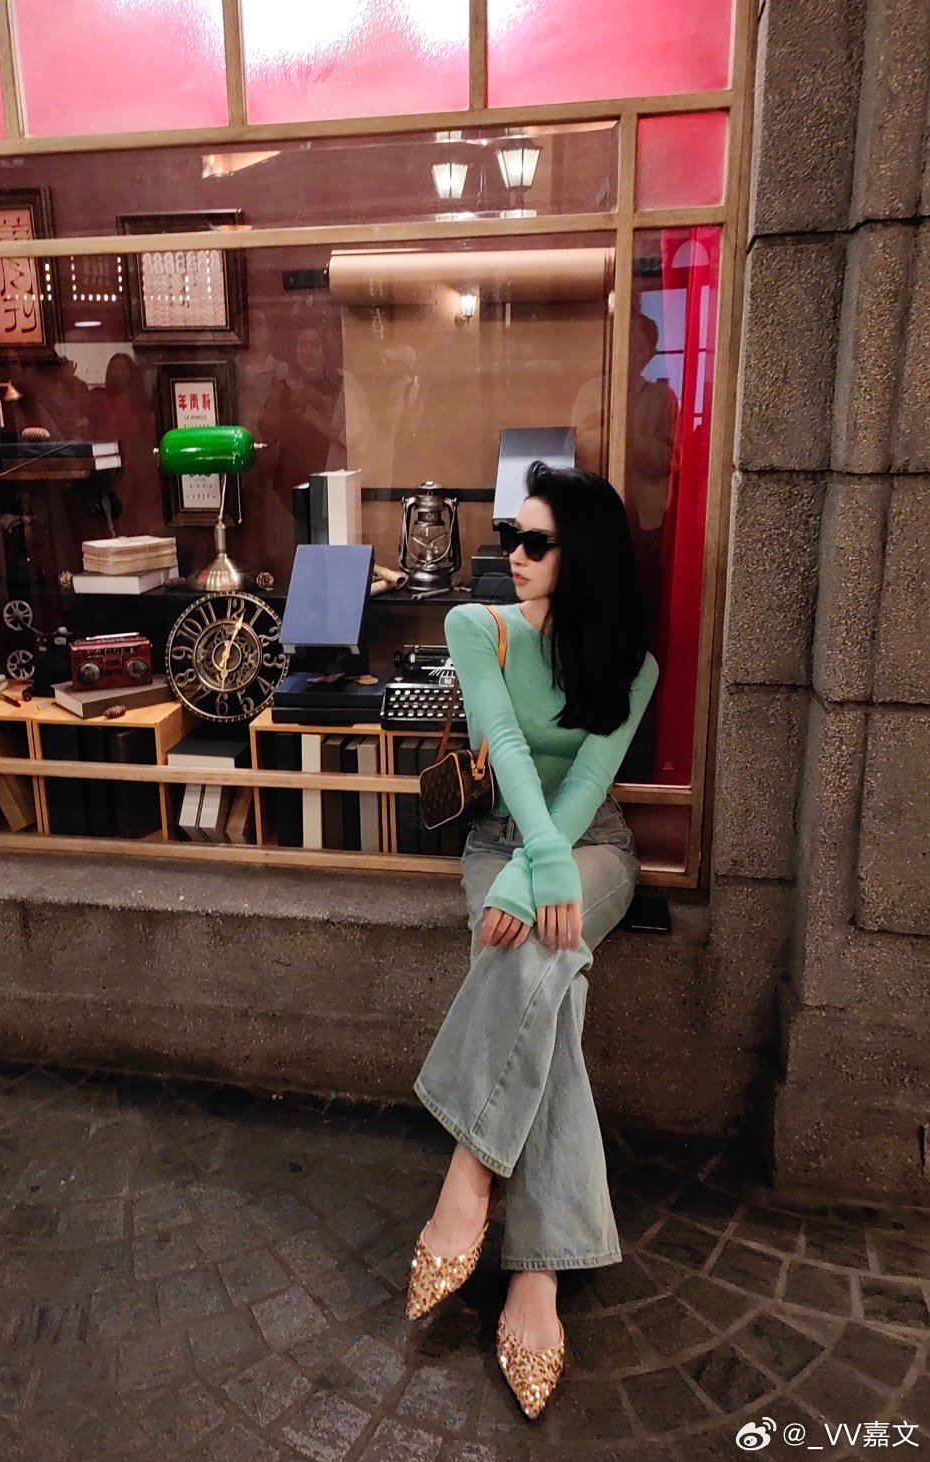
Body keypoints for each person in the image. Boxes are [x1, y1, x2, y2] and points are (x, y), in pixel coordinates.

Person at [407, 461, 660, 1420]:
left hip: (594, 846)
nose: (513, 554)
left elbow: (589, 781)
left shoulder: (631, 664)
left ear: (581, 554)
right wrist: (523, 865)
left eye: (537, 542)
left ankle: (467, 1172)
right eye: (512, 536)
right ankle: (539, 1268)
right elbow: (506, 748)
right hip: (500, 839)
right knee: (552, 967)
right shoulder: (478, 628)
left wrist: (547, 866)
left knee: (543, 938)